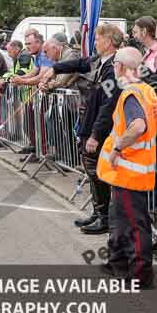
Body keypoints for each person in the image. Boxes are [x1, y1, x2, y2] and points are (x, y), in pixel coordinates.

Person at [40, 23, 124, 234]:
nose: (95, 42)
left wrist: (96, 134)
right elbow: (81, 63)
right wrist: (55, 68)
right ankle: (98, 212)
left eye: (98, 39)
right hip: (90, 118)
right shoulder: (100, 60)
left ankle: (104, 217)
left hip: (99, 124)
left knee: (96, 171)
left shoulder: (115, 66)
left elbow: (108, 104)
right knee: (91, 169)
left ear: (109, 41)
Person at [96, 47, 157, 289]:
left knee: (133, 224)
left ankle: (141, 275)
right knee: (121, 220)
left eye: (114, 65)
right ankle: (118, 263)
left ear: (121, 67)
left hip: (131, 171)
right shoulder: (145, 90)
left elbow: (138, 126)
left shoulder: (132, 93)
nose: (113, 69)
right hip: (130, 171)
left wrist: (117, 149)